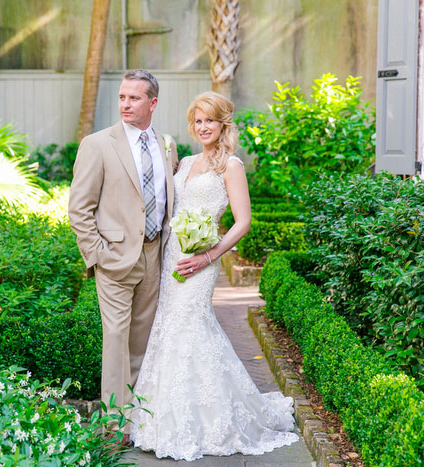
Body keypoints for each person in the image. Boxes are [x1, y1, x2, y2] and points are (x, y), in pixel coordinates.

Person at [130, 91, 299, 461]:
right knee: (168, 326)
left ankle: (209, 422)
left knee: (190, 325)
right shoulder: (185, 160)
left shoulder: (231, 166)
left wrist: (209, 255)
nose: (203, 127)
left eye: (209, 120)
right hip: (173, 256)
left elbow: (243, 222)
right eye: (197, 120)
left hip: (202, 260)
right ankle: (161, 419)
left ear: (223, 124)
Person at [68, 70, 179, 441]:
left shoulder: (167, 144)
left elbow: (167, 199)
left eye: (134, 98)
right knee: (115, 338)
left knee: (142, 341)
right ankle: (115, 426)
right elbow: (79, 208)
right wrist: (97, 254)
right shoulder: (97, 144)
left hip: (154, 256)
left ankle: (139, 420)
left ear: (153, 103)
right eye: (122, 97)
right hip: (114, 258)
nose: (125, 104)